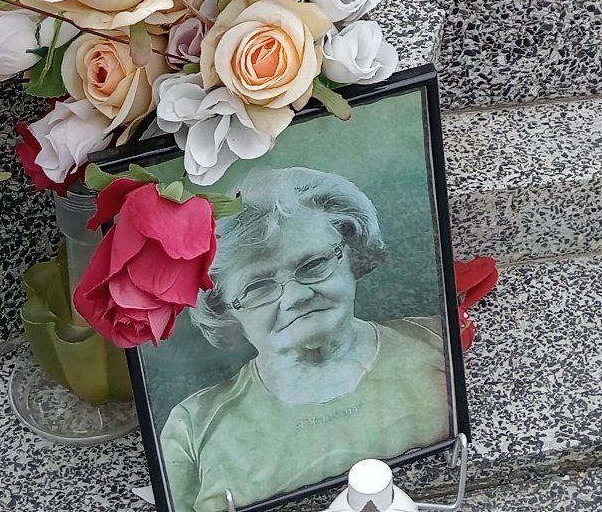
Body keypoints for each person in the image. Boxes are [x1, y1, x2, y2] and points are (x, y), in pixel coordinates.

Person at [159, 168, 453, 512]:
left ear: (352, 251)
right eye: (257, 287)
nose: (296, 296)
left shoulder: (438, 343)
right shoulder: (192, 427)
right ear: (224, 310)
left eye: (313, 264)